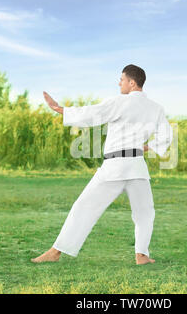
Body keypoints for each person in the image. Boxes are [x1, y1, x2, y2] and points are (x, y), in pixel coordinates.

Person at [31, 64, 173, 265]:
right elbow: (167, 136)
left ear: (132, 83)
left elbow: (91, 114)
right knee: (145, 213)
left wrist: (60, 109)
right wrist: (144, 148)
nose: (119, 83)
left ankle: (56, 252)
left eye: (122, 79)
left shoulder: (120, 102)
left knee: (84, 207)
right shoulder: (156, 108)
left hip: (115, 167)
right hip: (137, 166)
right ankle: (141, 255)